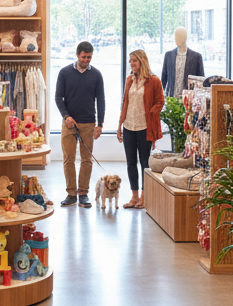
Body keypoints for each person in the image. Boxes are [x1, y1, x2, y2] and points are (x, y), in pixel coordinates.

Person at [55, 41, 105, 207]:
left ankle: (83, 193)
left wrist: (100, 124)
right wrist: (66, 116)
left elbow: (101, 100)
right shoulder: (64, 72)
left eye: (89, 57)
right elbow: (58, 97)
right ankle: (71, 193)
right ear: (77, 54)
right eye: (83, 57)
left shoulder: (96, 75)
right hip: (69, 123)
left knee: (86, 159)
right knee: (68, 158)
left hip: (89, 123)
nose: (86, 60)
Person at [117, 50, 165, 209]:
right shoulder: (129, 80)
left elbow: (160, 101)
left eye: (134, 61)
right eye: (130, 61)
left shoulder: (153, 80)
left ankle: (144, 197)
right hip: (129, 126)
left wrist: (151, 112)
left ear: (142, 61)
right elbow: (125, 103)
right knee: (130, 162)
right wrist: (120, 125)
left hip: (145, 127)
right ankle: (134, 196)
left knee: (145, 162)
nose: (131, 63)